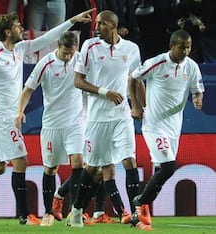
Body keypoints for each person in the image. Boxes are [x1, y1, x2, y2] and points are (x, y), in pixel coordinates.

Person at [0, 9, 94, 226]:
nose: (21, 27)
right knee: (21, 161)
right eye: (17, 25)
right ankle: (24, 216)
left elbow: (47, 39)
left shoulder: (20, 49)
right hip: (2, 116)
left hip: (9, 115)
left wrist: (72, 21)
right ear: (6, 31)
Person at [69, 10, 140, 228]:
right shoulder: (89, 46)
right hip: (97, 117)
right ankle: (76, 210)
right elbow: (78, 81)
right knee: (92, 168)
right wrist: (104, 92)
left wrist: (137, 105)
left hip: (121, 116)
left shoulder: (131, 49)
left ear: (111, 25)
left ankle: (138, 212)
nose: (96, 27)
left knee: (130, 160)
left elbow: (135, 79)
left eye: (100, 24)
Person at [128, 29, 204, 230]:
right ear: (172, 46)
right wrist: (135, 106)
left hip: (174, 127)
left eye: (188, 47)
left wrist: (197, 99)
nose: (186, 51)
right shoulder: (158, 63)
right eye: (182, 47)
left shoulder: (192, 66)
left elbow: (197, 89)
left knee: (164, 170)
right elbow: (133, 78)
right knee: (170, 166)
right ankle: (140, 203)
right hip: (154, 125)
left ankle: (139, 212)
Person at [15, 31, 86, 227]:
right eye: (65, 53)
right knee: (51, 168)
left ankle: (75, 210)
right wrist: (20, 111)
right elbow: (28, 90)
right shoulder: (45, 64)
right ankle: (48, 212)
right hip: (52, 124)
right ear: (58, 47)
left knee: (79, 162)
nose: (68, 57)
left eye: (71, 53)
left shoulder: (80, 60)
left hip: (75, 122)